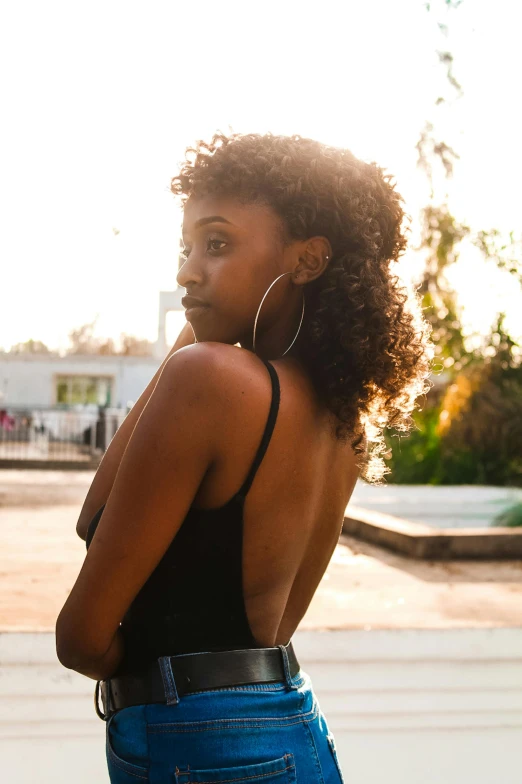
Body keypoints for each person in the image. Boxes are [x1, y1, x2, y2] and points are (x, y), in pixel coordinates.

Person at [55, 131, 433, 783]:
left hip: (201, 748)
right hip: (293, 730)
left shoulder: (207, 380)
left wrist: (153, 679)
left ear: (307, 260)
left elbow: (82, 627)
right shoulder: (345, 423)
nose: (185, 271)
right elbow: (272, 624)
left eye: (218, 243)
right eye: (187, 247)